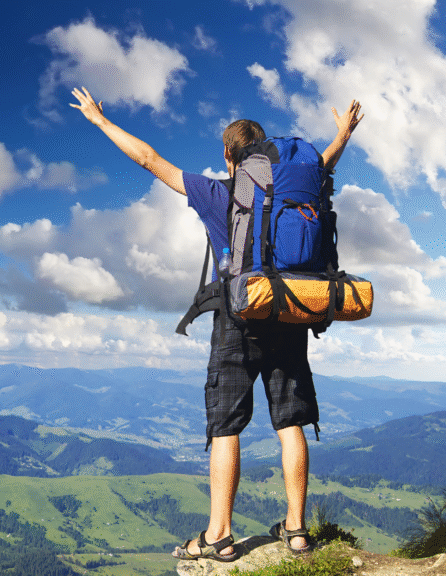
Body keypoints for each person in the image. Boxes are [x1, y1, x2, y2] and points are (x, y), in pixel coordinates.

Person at [69, 87, 363, 561]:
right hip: (288, 308)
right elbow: (324, 163)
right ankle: (298, 530)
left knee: (226, 427)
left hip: (237, 317)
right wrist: (343, 133)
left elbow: (150, 160)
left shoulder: (217, 191)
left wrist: (101, 123)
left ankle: (219, 536)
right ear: (265, 153)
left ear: (228, 155)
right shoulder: (296, 183)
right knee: (290, 423)